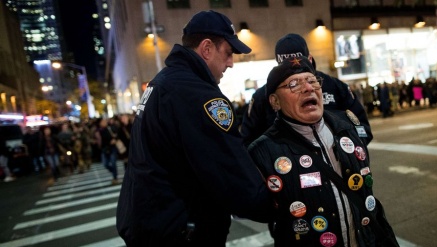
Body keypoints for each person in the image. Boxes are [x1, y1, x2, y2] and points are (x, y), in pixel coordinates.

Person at [116, 10, 273, 246]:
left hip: (154, 223)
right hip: (181, 231)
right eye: (228, 53)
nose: (231, 63)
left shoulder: (164, 82)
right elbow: (229, 170)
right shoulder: (196, 94)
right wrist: (277, 204)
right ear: (207, 48)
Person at [248, 56, 398, 247]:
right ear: (275, 101)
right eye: (293, 84)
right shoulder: (263, 152)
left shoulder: (347, 128)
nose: (308, 88)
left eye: (312, 81)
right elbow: (261, 211)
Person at [241, 33, 372, 147]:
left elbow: (362, 128)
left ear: (309, 59)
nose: (307, 88)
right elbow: (249, 142)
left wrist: (344, 151)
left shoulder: (336, 87)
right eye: (285, 65)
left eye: (299, 62)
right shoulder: (264, 96)